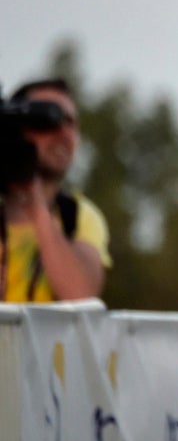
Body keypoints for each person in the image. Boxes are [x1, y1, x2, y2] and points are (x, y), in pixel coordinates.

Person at [1, 78, 111, 302]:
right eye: (47, 120)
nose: (63, 133)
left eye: (71, 122)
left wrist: (37, 205)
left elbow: (81, 297)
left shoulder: (78, 215)